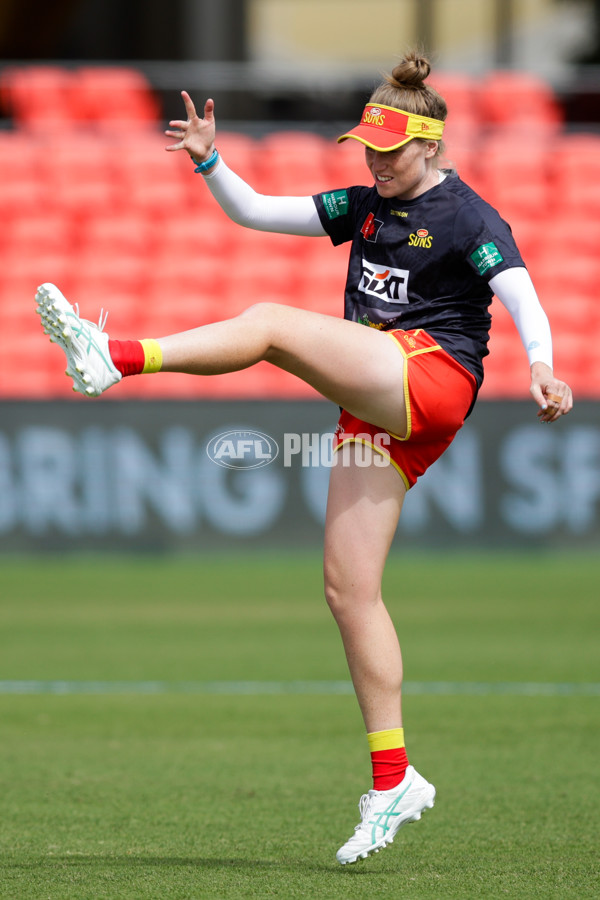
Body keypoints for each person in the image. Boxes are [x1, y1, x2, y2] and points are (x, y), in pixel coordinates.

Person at [35, 50, 573, 865]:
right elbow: (251, 212)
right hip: (379, 397)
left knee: (273, 324)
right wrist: (212, 159)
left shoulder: (469, 217)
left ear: (432, 144)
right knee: (348, 592)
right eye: (368, 147)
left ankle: (117, 355)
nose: (376, 162)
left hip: (431, 376)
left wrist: (541, 364)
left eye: (390, 151)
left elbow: (523, 296)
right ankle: (394, 780)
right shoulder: (361, 205)